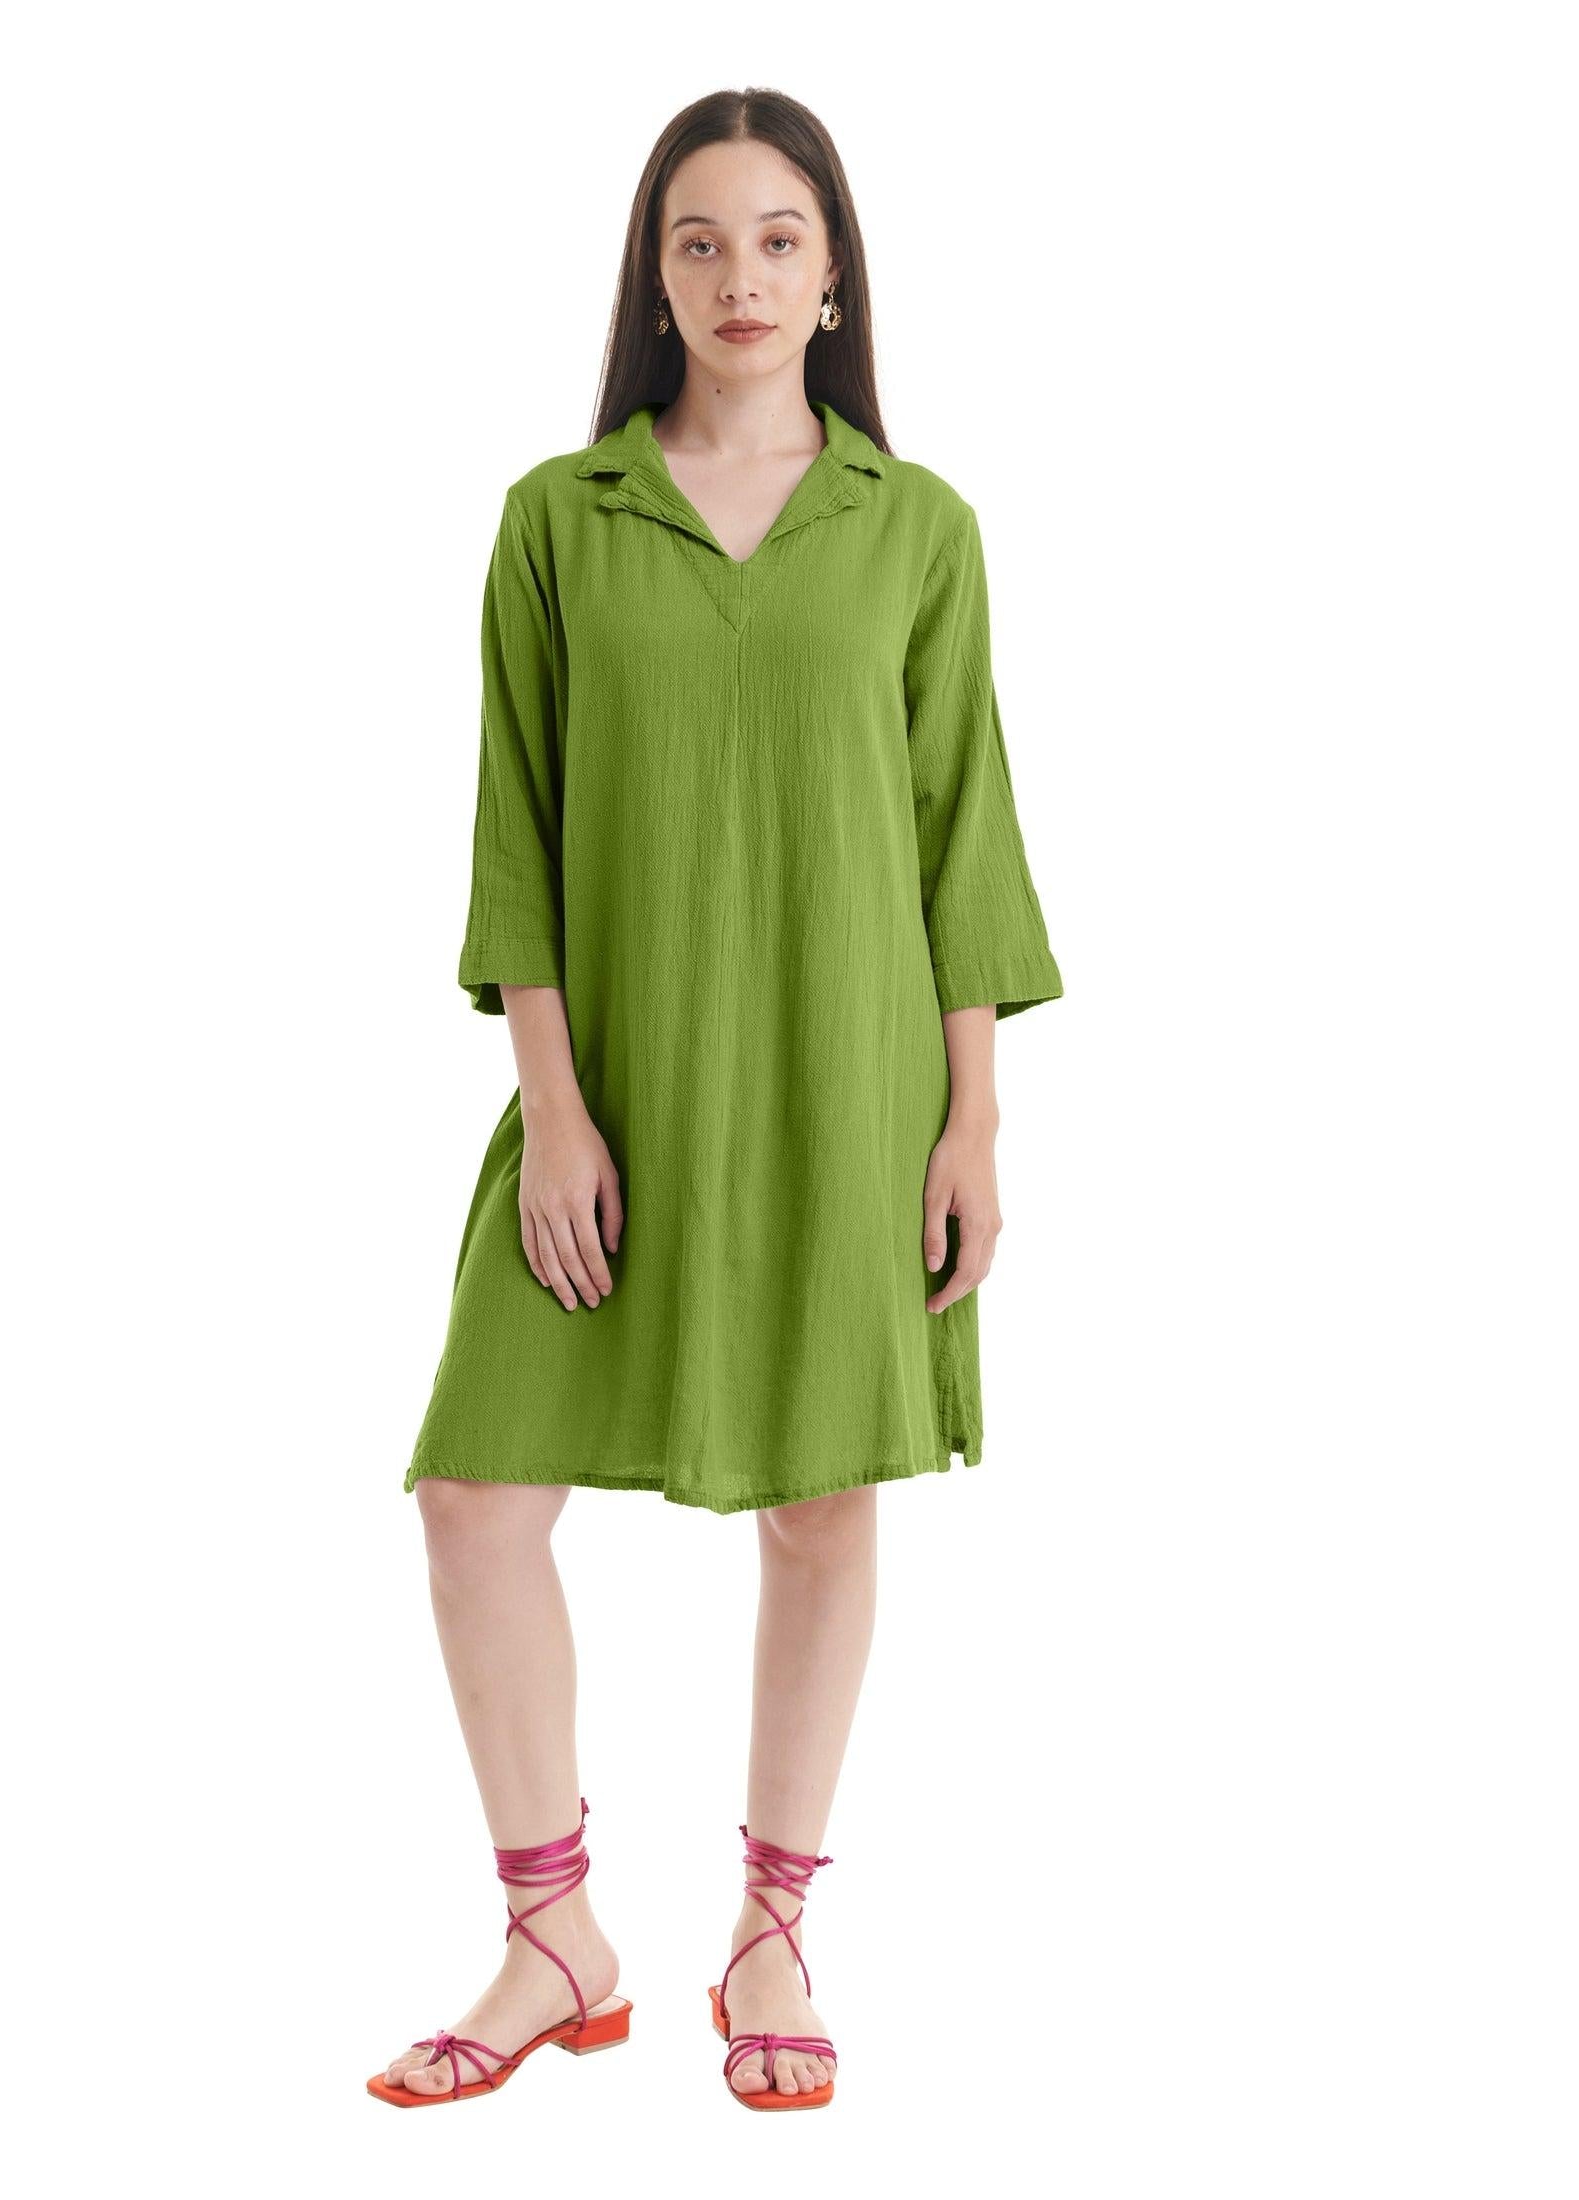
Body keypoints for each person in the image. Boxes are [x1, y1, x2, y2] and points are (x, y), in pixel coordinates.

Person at [369, 86, 1064, 2115]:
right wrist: (553, 1109)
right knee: (474, 1496)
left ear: (832, 273)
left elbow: (961, 838)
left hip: (850, 1081)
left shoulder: (916, 528)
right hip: (611, 1086)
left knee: (823, 1504)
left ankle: (770, 1928)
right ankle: (553, 1934)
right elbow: (517, 830)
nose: (739, 276)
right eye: (700, 241)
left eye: (777, 238)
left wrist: (972, 1122)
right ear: (653, 276)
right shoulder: (559, 519)